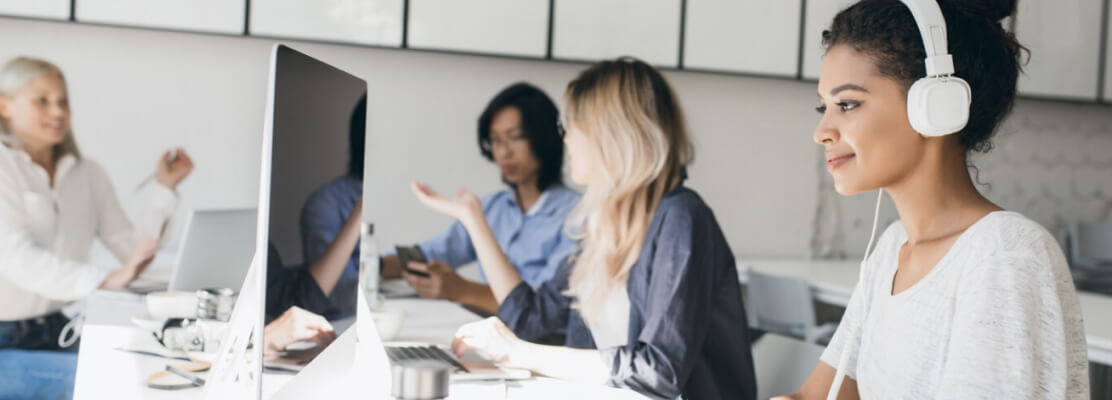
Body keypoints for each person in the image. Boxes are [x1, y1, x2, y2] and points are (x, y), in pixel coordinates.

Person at [777, 0, 1089, 398]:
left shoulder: (1004, 255)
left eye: (848, 104)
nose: (822, 131)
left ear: (934, 106)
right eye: (825, 107)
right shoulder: (891, 249)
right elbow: (817, 395)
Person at [412, 58, 757, 400]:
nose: (564, 141)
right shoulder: (602, 224)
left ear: (611, 134)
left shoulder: (681, 218)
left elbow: (658, 371)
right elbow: (530, 317)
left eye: (569, 127)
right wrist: (474, 219)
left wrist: (520, 353)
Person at [0, 56, 193, 399]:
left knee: (154, 368)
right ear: (4, 106)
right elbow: (13, 257)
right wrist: (102, 280)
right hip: (5, 339)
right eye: (42, 100)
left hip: (60, 328)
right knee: (117, 381)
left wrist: (164, 187)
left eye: (63, 101)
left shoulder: (88, 173)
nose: (58, 112)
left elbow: (130, 246)